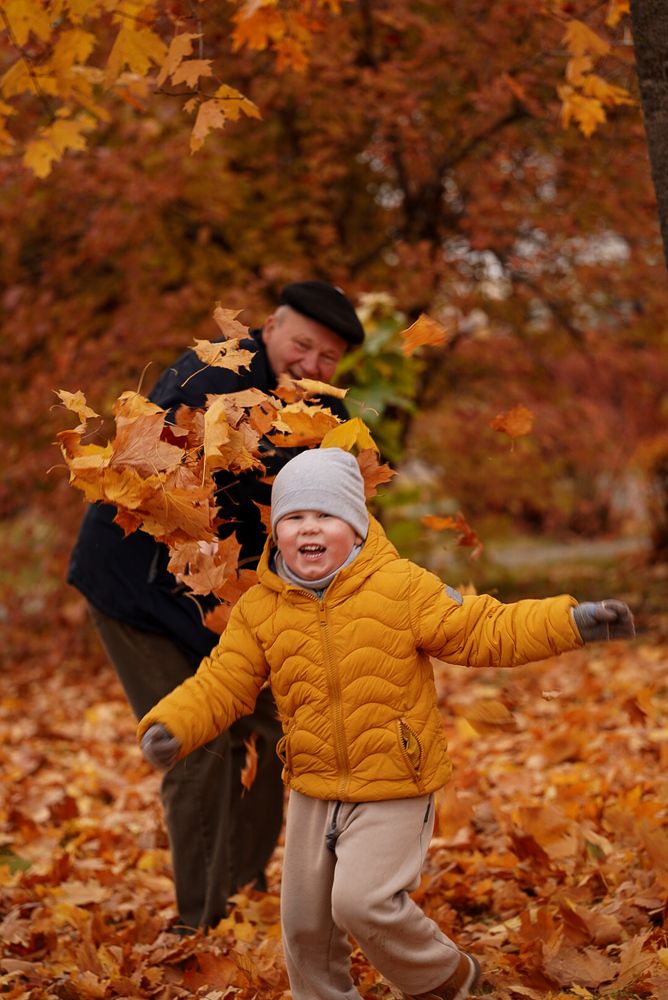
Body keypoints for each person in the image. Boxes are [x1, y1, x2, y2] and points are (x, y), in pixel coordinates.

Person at [137, 447, 635, 999]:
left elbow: (482, 629)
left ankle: (446, 978)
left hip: (395, 781)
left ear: (356, 527)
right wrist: (175, 725)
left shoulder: (401, 587)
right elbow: (223, 681)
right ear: (276, 532)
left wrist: (572, 622)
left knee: (363, 903)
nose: (309, 528)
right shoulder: (261, 609)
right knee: (305, 927)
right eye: (294, 517)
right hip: (313, 787)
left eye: (325, 515)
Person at [67, 281, 365, 932]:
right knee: (196, 744)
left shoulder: (318, 412)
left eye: (327, 357)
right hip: (140, 589)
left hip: (224, 602)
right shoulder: (211, 377)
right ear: (271, 328)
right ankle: (198, 926)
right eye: (302, 345)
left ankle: (242, 890)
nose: (311, 363)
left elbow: (317, 515)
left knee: (272, 733)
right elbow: (158, 486)